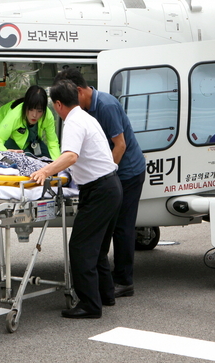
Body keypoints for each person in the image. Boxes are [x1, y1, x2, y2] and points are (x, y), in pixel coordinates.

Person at [30, 80, 122, 318]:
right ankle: (105, 294)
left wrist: (45, 171)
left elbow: (71, 155)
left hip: (100, 190)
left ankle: (90, 305)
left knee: (81, 247)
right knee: (99, 248)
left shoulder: (72, 121)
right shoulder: (87, 117)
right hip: (111, 185)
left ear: (58, 104)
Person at [54, 68, 146, 298]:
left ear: (77, 91)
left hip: (127, 172)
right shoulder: (85, 112)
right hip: (112, 175)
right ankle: (105, 288)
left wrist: (105, 175)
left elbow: (120, 145)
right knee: (104, 234)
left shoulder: (105, 106)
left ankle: (124, 281)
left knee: (122, 228)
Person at [0, 85, 61, 159]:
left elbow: (52, 142)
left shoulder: (48, 116)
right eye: (30, 109)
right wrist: (6, 154)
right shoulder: (15, 115)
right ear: (25, 107)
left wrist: (57, 165)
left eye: (39, 111)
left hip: (30, 137)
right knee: (18, 157)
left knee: (47, 156)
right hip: (2, 128)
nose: (34, 115)